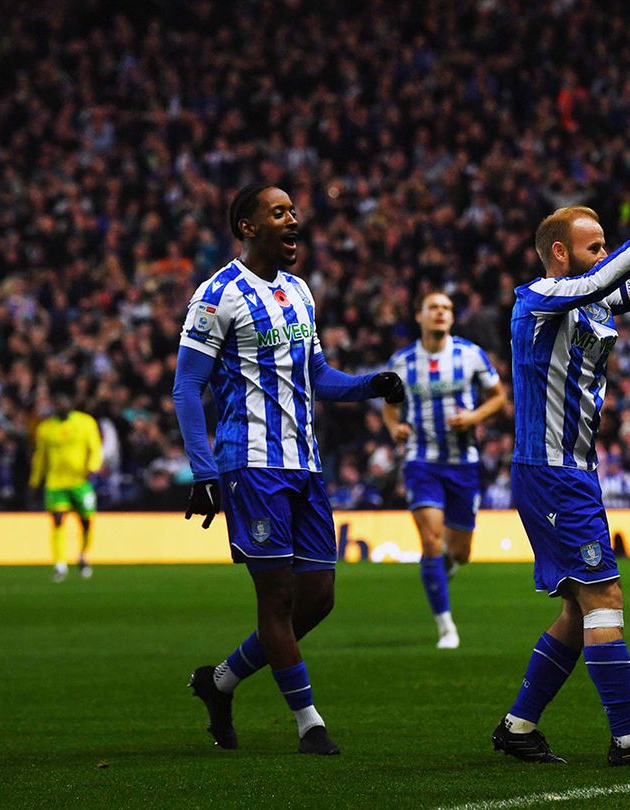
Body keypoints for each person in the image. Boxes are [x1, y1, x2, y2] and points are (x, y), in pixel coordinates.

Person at [172, 184, 406, 755]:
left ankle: (220, 681)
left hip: (304, 463)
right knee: (275, 600)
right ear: (247, 227)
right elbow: (186, 386)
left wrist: (371, 385)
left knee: (318, 596)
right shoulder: (217, 295)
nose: (293, 219)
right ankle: (310, 725)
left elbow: (318, 377)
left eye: (294, 211)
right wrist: (204, 473)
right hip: (250, 464)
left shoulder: (300, 293)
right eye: (278, 212)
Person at [491, 177, 630, 768]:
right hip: (550, 472)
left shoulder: (592, 299)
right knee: (604, 595)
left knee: (577, 611)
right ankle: (628, 741)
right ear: (561, 252)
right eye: (593, 246)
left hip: (573, 470)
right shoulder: (535, 298)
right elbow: (607, 279)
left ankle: (519, 726)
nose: (603, 255)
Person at [382, 291, 506, 649]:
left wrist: (474, 417)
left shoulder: (470, 355)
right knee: (431, 540)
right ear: (419, 317)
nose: (440, 313)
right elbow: (390, 408)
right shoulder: (402, 361)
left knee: (461, 552)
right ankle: (446, 626)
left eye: (447, 308)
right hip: (422, 461)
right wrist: (395, 429)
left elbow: (498, 397)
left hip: (463, 463)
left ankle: (444, 567)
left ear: (452, 318)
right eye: (433, 307)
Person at [29, 382, 103, 581]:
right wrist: (35, 481)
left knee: (86, 522)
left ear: (71, 403)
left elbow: (95, 448)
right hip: (56, 483)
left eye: (64, 402)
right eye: (57, 402)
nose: (61, 405)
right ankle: (60, 563)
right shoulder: (45, 428)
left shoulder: (86, 423)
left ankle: (83, 555)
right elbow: (40, 457)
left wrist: (93, 467)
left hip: (81, 482)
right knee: (58, 521)